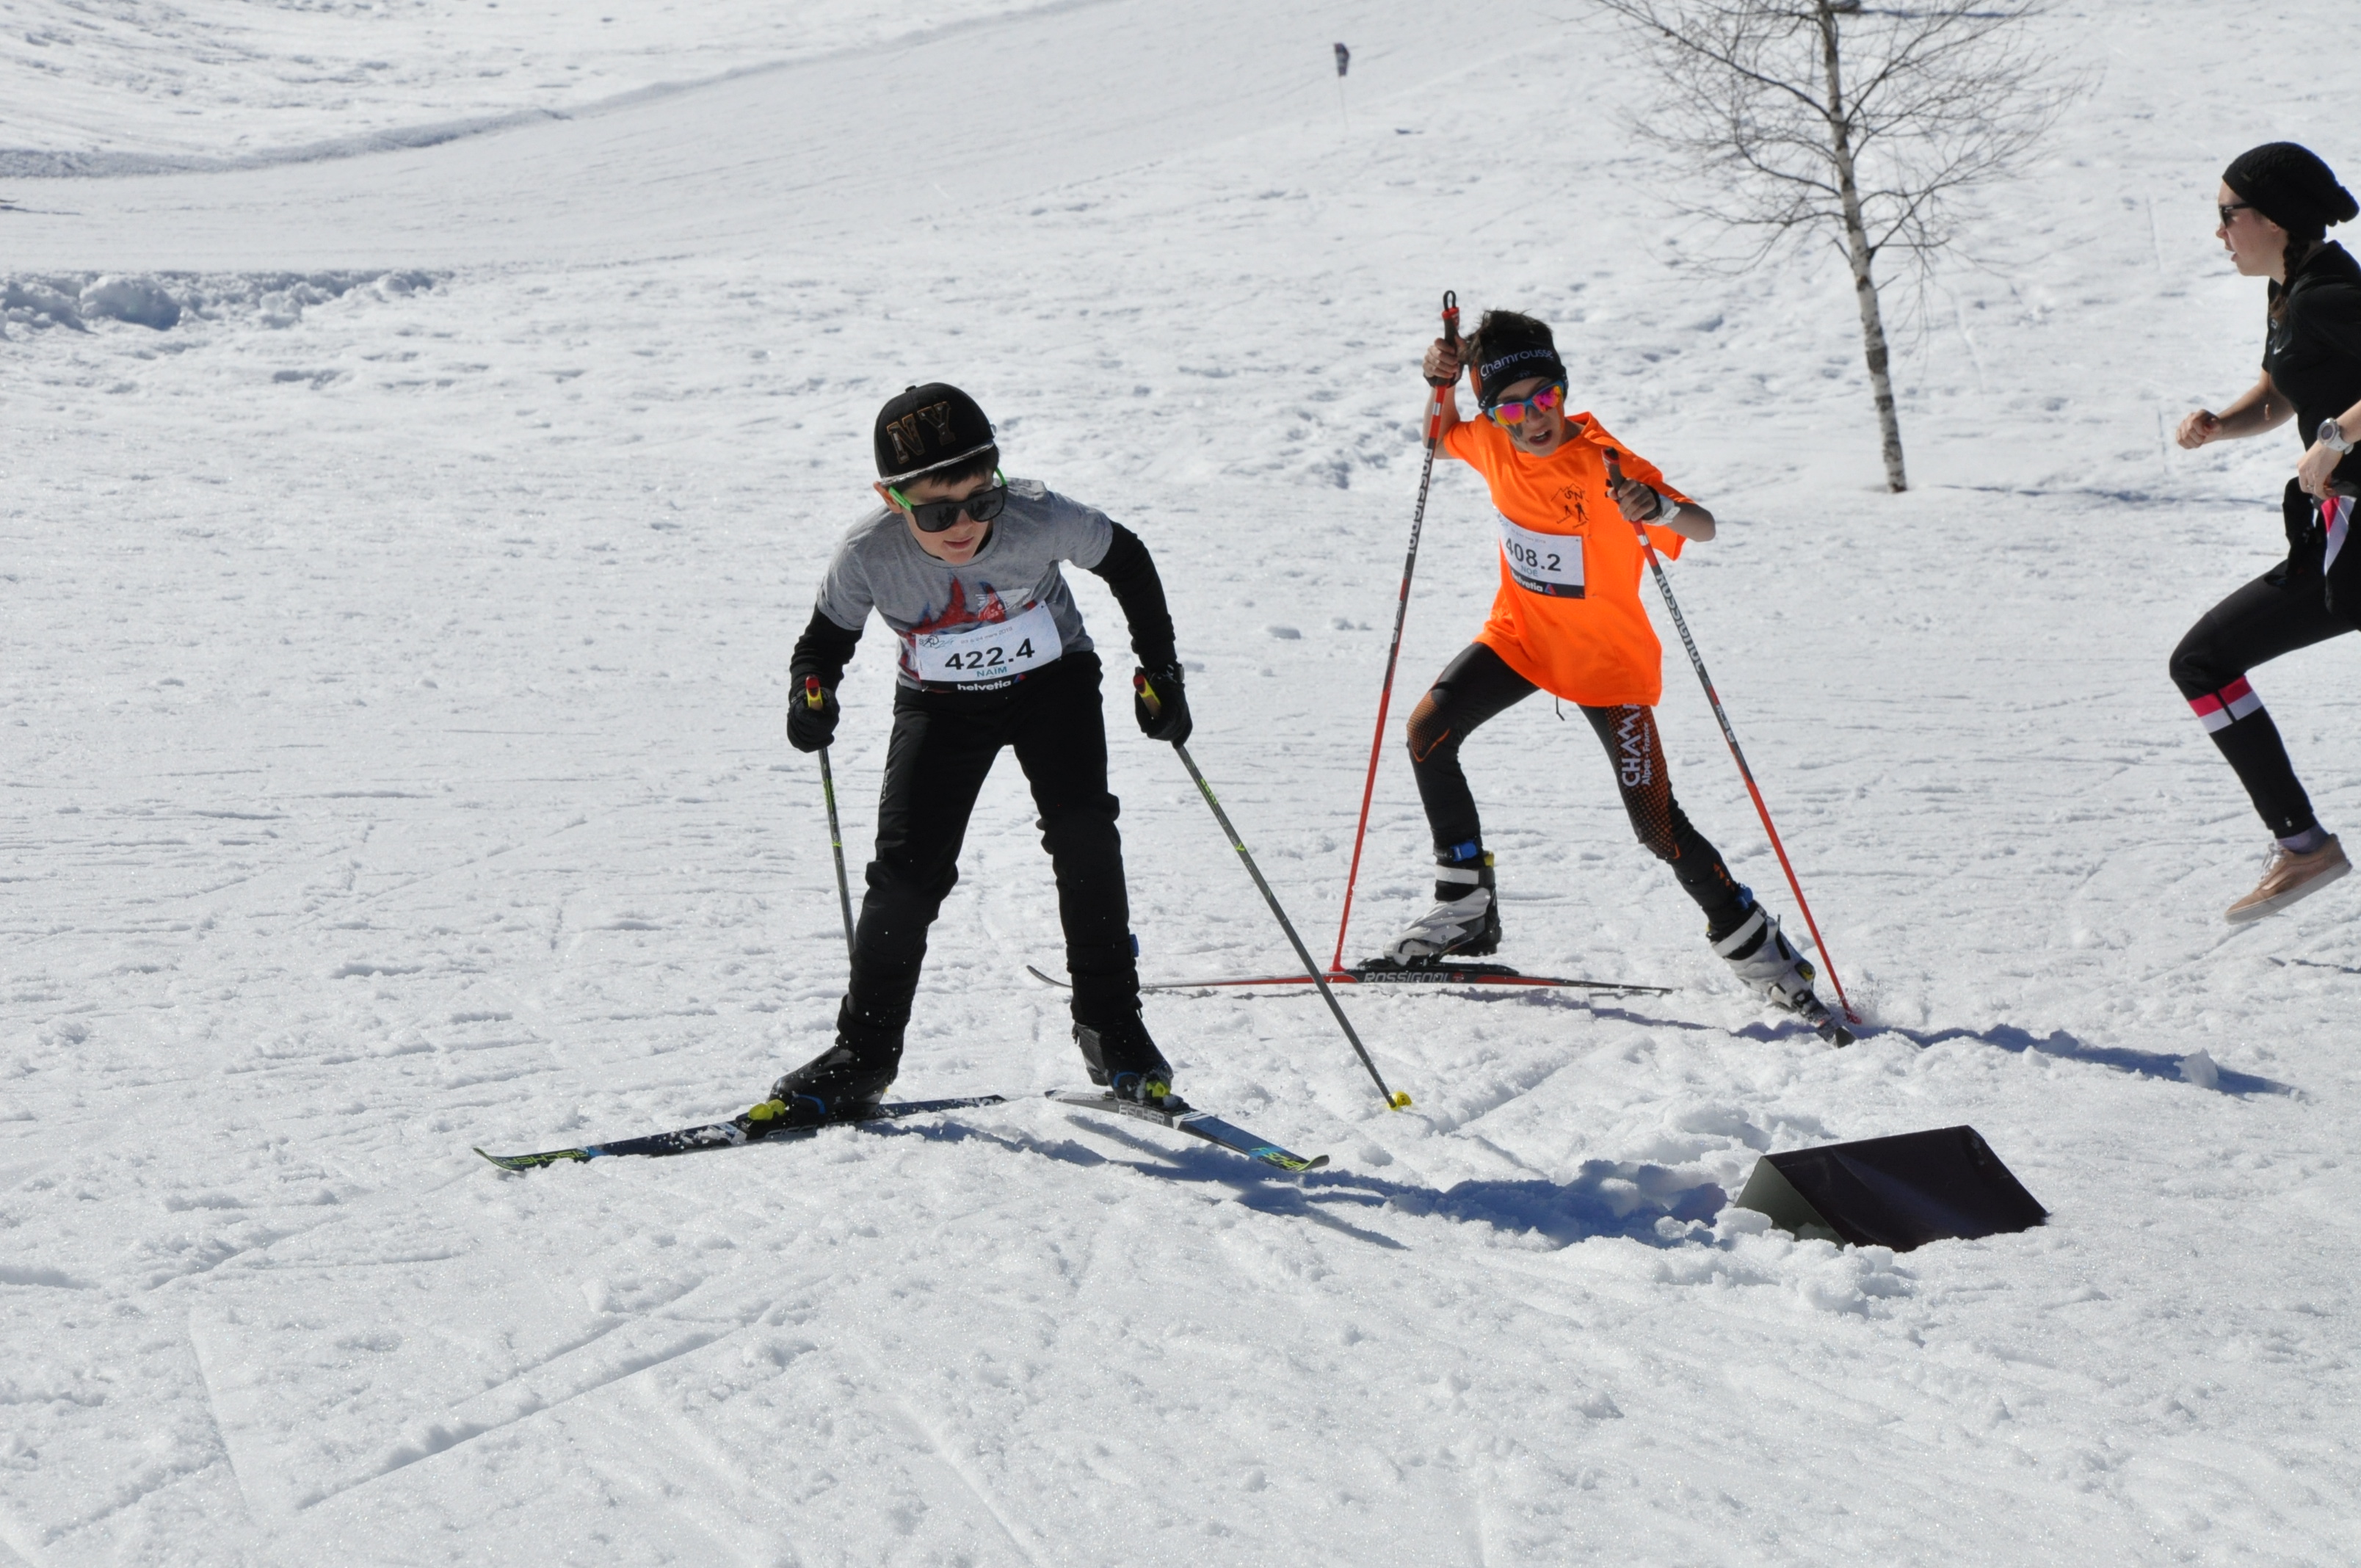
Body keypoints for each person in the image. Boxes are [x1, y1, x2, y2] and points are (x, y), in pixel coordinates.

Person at [1374, 309, 1844, 1034]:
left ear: (1563, 390)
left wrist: (1657, 507)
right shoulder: (1492, 444)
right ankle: (1464, 908)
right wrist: (1440, 382)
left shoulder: (1604, 463)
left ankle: (1762, 952)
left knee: (1657, 825)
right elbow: (1439, 438)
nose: (1533, 418)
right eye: (1511, 407)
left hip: (1607, 666)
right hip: (1521, 640)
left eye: (1544, 397)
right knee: (1427, 733)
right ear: (1492, 413)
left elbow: (1702, 526)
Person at [748, 382, 1194, 1128]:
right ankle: (863, 1054)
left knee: (1084, 831)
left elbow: (1129, 561)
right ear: (892, 500)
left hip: (1052, 683)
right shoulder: (867, 553)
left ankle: (1112, 1026)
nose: (963, 526)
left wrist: (1161, 670)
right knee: (906, 875)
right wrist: (810, 695)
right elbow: (822, 644)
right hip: (941, 704)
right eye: (936, 512)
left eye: (981, 500)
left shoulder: (1039, 515)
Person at [2172, 142, 2361, 923]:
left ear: (2275, 219)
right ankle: (2302, 845)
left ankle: (2304, 846)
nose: (2219, 232)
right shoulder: (2293, 291)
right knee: (2204, 662)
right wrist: (2225, 423)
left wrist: (2338, 438)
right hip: (2340, 536)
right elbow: (2284, 391)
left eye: (2229, 215)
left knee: (2204, 662)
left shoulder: (2329, 295)